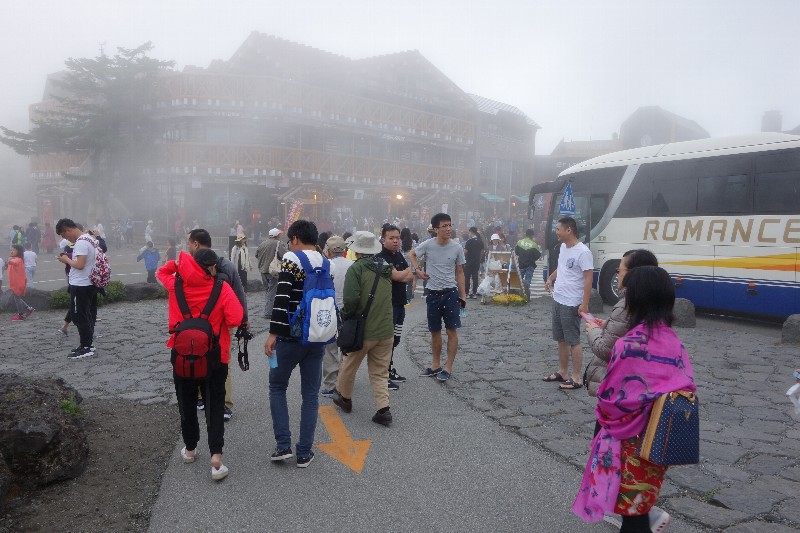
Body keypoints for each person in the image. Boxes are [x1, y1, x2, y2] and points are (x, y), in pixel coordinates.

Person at [573, 266, 695, 532]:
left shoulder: (628, 345)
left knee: (631, 514)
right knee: (640, 505)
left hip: (629, 444)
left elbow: (609, 399)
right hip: (659, 440)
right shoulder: (674, 342)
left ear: (636, 300)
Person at [157, 248, 243, 482]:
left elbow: (160, 271)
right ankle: (216, 458)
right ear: (213, 267)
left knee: (186, 404)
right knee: (214, 406)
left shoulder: (175, 286)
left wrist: (179, 264)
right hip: (215, 357)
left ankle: (190, 450)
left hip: (182, 357)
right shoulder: (221, 288)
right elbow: (236, 318)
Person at [264, 220, 329, 467]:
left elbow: (282, 298)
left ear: (295, 239)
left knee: (277, 387)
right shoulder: (326, 262)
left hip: (290, 337)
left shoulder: (292, 259)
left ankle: (283, 446)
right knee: (310, 396)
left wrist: (273, 333)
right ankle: (304, 452)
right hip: (317, 337)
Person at [331, 231, 395, 426]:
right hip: (386, 330)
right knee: (380, 372)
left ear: (356, 250)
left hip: (363, 331)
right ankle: (383, 409)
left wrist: (347, 315)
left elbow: (350, 299)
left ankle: (345, 398)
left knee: (349, 366)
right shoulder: (385, 268)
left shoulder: (356, 269)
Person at [186, 229, 248, 421]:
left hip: (198, 324)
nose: (188, 247)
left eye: (189, 243)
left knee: (198, 358)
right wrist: (243, 319)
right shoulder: (227, 265)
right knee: (221, 361)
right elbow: (239, 293)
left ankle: (204, 399)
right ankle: (221, 404)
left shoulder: (190, 265)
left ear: (196, 244)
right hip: (220, 323)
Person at [584, 250, 659, 404]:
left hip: (618, 389)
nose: (617, 274)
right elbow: (633, 333)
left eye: (619, 270)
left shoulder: (627, 305)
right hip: (641, 387)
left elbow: (606, 350)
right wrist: (608, 325)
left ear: (632, 273)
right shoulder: (653, 302)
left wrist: (593, 331)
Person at [408, 213, 467, 382]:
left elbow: (460, 272)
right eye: (444, 226)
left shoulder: (456, 247)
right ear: (435, 229)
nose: (449, 228)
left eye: (450, 225)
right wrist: (417, 270)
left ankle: (448, 367)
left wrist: (463, 295)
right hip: (433, 294)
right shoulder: (427, 245)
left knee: (451, 330)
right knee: (434, 331)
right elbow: (412, 254)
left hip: (450, 293)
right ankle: (435, 365)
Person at [542, 216, 593, 390]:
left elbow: (588, 279)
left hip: (572, 302)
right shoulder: (563, 247)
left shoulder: (583, 252)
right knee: (561, 339)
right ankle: (563, 371)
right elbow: (561, 267)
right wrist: (550, 278)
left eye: (558, 229)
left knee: (573, 340)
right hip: (558, 298)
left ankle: (576, 377)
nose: (556, 232)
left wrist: (584, 304)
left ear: (568, 230)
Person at [376, 224, 415, 388]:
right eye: (391, 238)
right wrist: (401, 275)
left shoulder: (398, 255)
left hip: (400, 305)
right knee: (386, 341)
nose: (395, 241)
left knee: (395, 340)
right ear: (383, 239)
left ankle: (389, 370)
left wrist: (402, 275)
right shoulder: (381, 257)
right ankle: (383, 376)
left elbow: (410, 275)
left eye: (397, 238)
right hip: (387, 306)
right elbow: (398, 276)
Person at [56, 218, 99, 359]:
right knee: (86, 314)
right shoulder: (89, 238)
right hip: (89, 282)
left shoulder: (80, 242)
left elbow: (80, 265)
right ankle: (87, 345)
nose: (65, 238)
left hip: (81, 284)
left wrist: (66, 260)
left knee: (79, 316)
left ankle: (86, 347)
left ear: (67, 229)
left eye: (64, 235)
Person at [320, 235, 352, 397]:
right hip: (349, 311)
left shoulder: (324, 265)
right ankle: (344, 381)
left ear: (329, 251)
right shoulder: (353, 266)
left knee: (330, 348)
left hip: (329, 310)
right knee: (346, 348)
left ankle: (331, 384)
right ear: (344, 250)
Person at [255, 228, 286, 319]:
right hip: (273, 271)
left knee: (267, 290)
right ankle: (268, 312)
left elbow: (256, 255)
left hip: (262, 270)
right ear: (277, 235)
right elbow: (284, 255)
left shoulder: (262, 243)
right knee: (272, 291)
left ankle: (270, 309)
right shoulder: (278, 243)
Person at [7, 245, 34, 321]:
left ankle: (21, 315)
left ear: (18, 251)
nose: (12, 251)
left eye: (14, 250)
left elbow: (14, 262)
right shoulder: (15, 259)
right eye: (11, 250)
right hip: (15, 283)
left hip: (18, 283)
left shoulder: (18, 260)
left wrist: (10, 261)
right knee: (17, 298)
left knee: (17, 298)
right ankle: (28, 309)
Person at [514, 228, 542, 298]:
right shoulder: (534, 245)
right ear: (532, 236)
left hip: (521, 264)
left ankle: (518, 295)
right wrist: (532, 259)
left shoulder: (519, 242)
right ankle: (525, 295)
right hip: (530, 265)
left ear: (525, 234)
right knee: (527, 281)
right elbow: (538, 255)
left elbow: (516, 252)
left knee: (519, 281)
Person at [463, 226, 484, 299]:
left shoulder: (469, 241)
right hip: (476, 262)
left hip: (468, 262)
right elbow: (482, 252)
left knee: (467, 278)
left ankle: (467, 293)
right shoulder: (480, 241)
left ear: (471, 232)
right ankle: (474, 293)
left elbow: (465, 252)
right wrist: (478, 258)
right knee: (475, 278)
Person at [400, 228, 416, 301]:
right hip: (411, 264)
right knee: (410, 282)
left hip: (402, 264)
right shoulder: (413, 242)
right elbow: (416, 253)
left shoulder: (400, 242)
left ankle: (402, 296)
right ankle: (408, 298)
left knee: (402, 281)